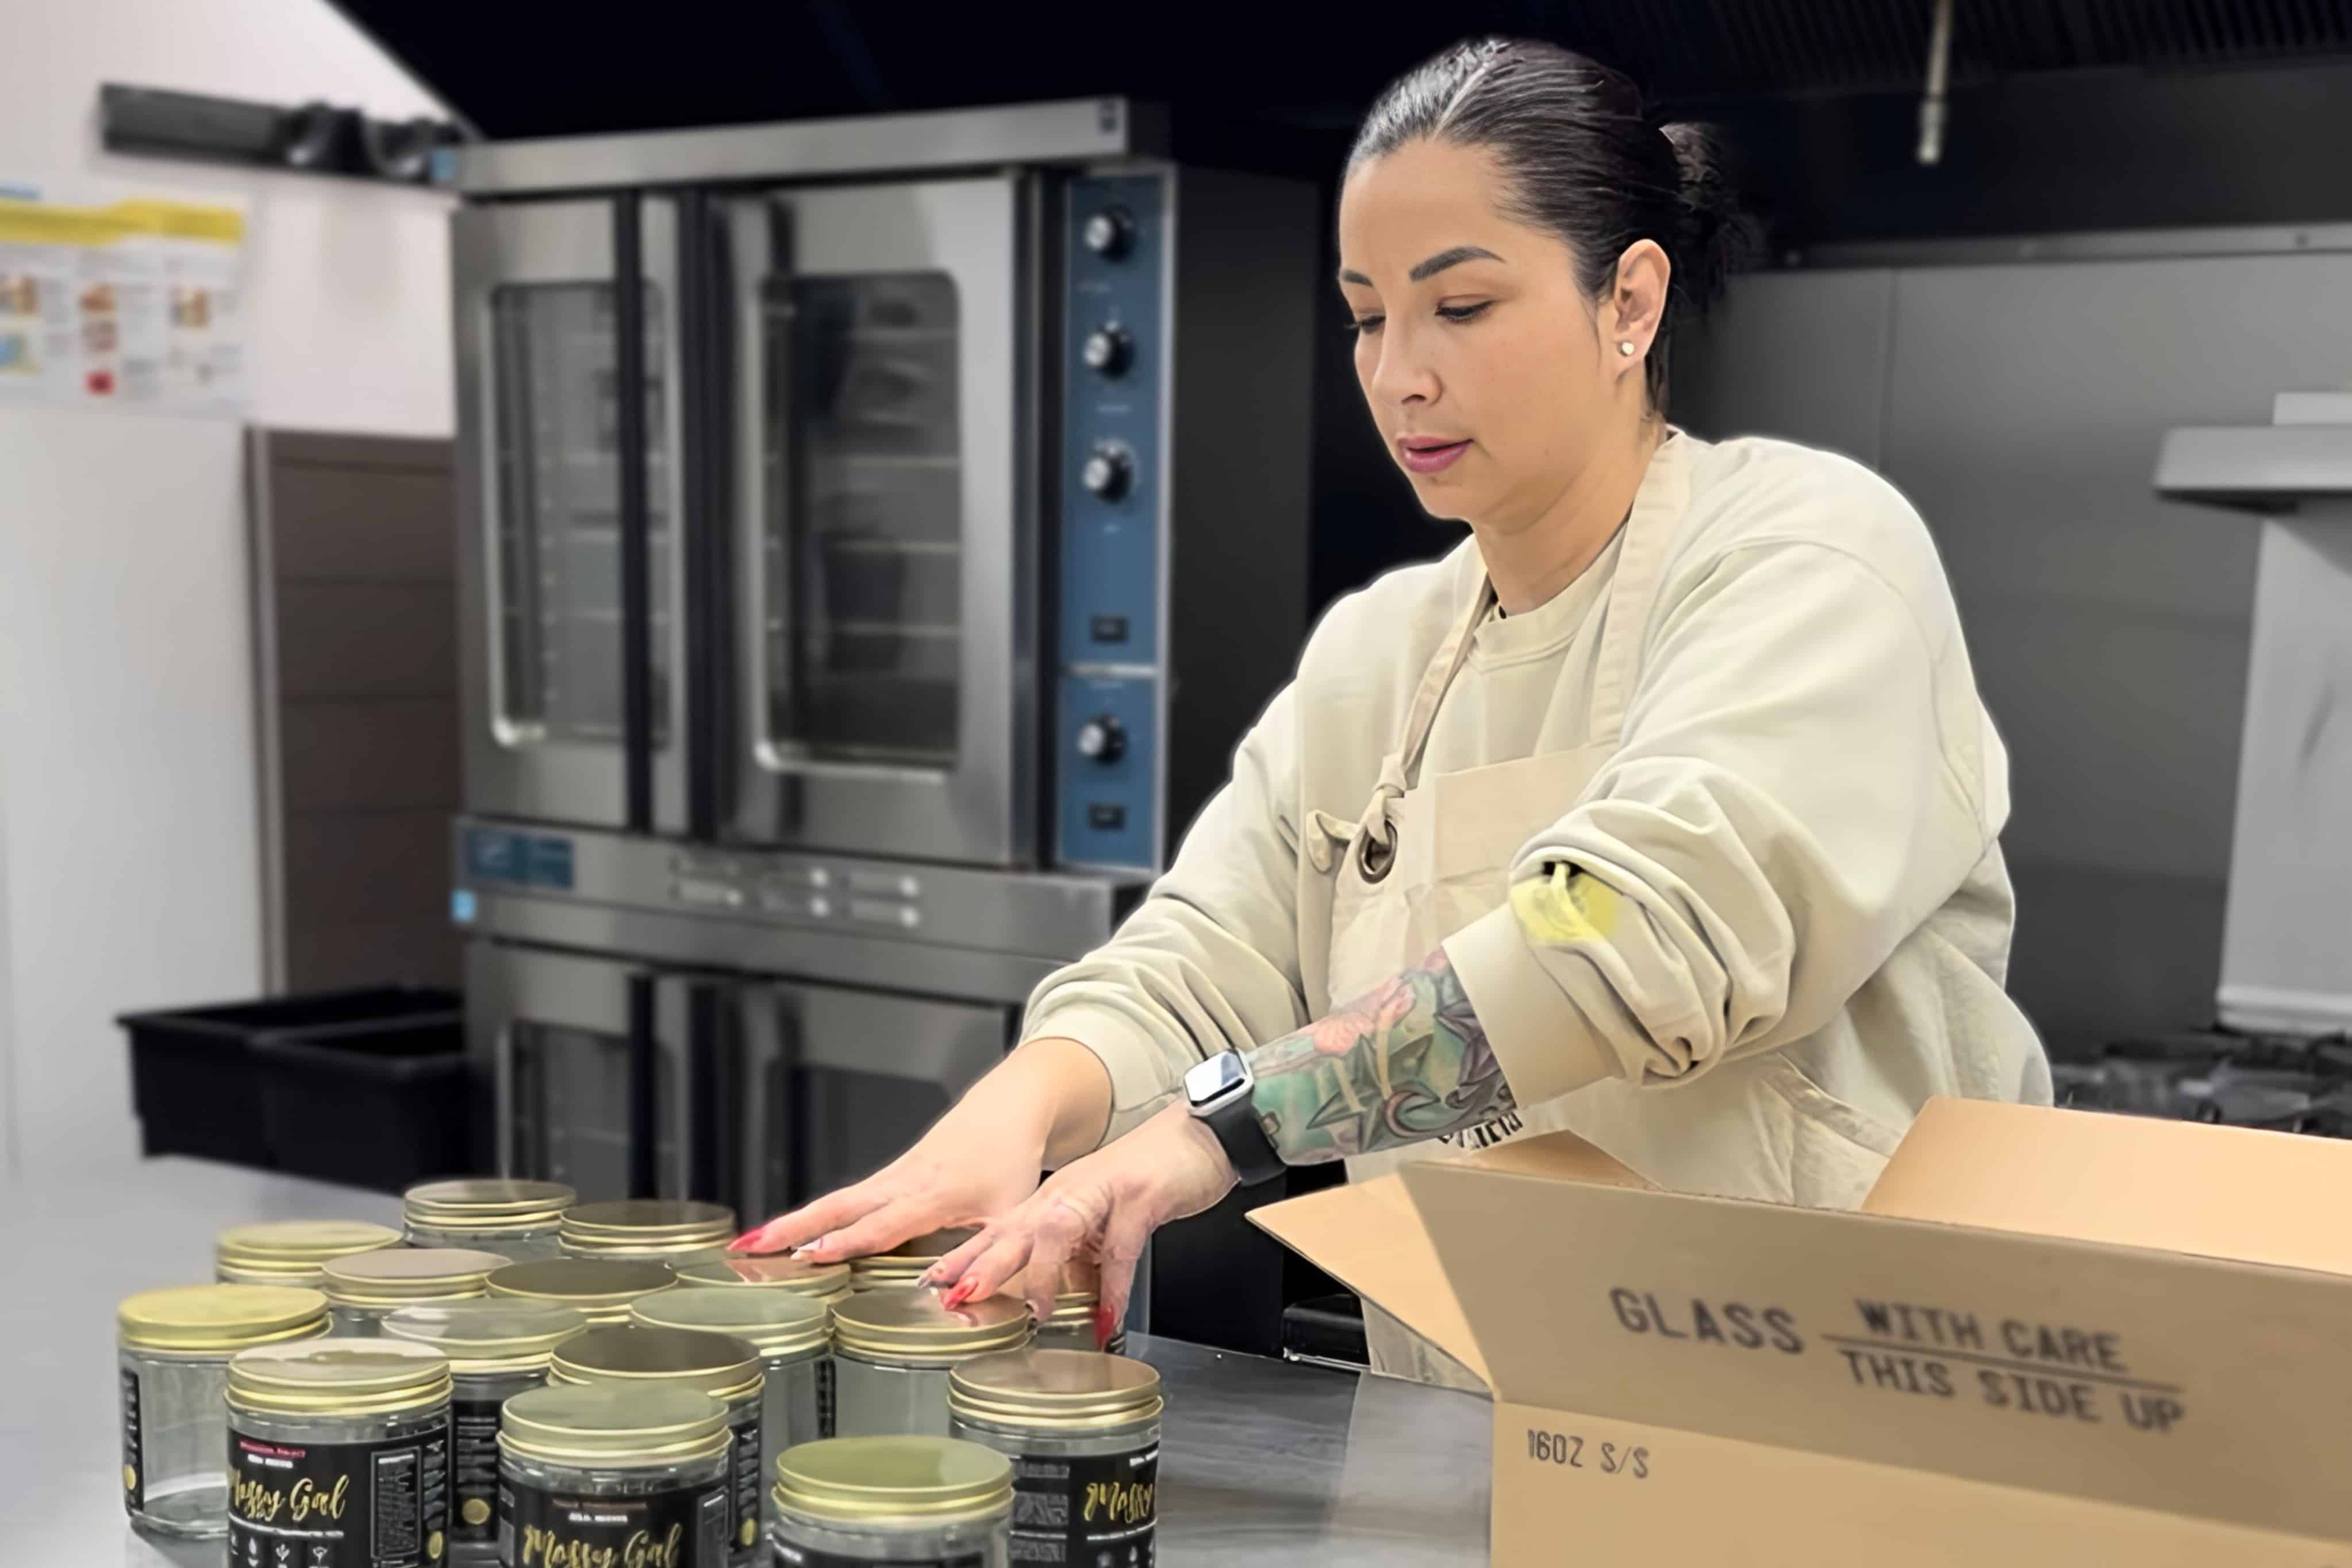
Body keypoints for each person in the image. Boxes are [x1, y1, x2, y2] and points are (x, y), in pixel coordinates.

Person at [732, 36, 2051, 1386]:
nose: (1398, 374)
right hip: (1478, 1432)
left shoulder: (1810, 555)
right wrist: (1017, 1112)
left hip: (1826, 1434)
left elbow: (1635, 937)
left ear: (1630, 302)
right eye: (1367, 315)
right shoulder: (1380, 653)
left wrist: (1216, 1130)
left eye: (1460, 307)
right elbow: (1200, 957)